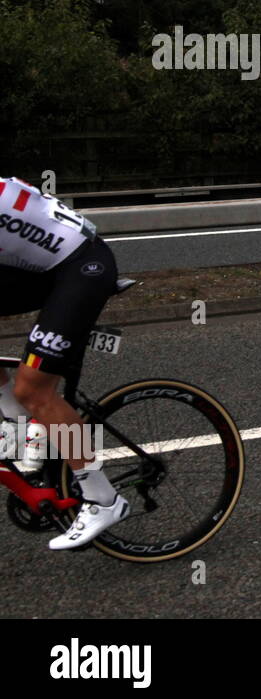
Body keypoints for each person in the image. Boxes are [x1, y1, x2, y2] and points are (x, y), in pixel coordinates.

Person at [0, 176, 130, 548]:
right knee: (27, 402)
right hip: (45, 265)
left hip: (82, 267)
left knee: (34, 389)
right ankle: (20, 425)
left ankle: (103, 498)